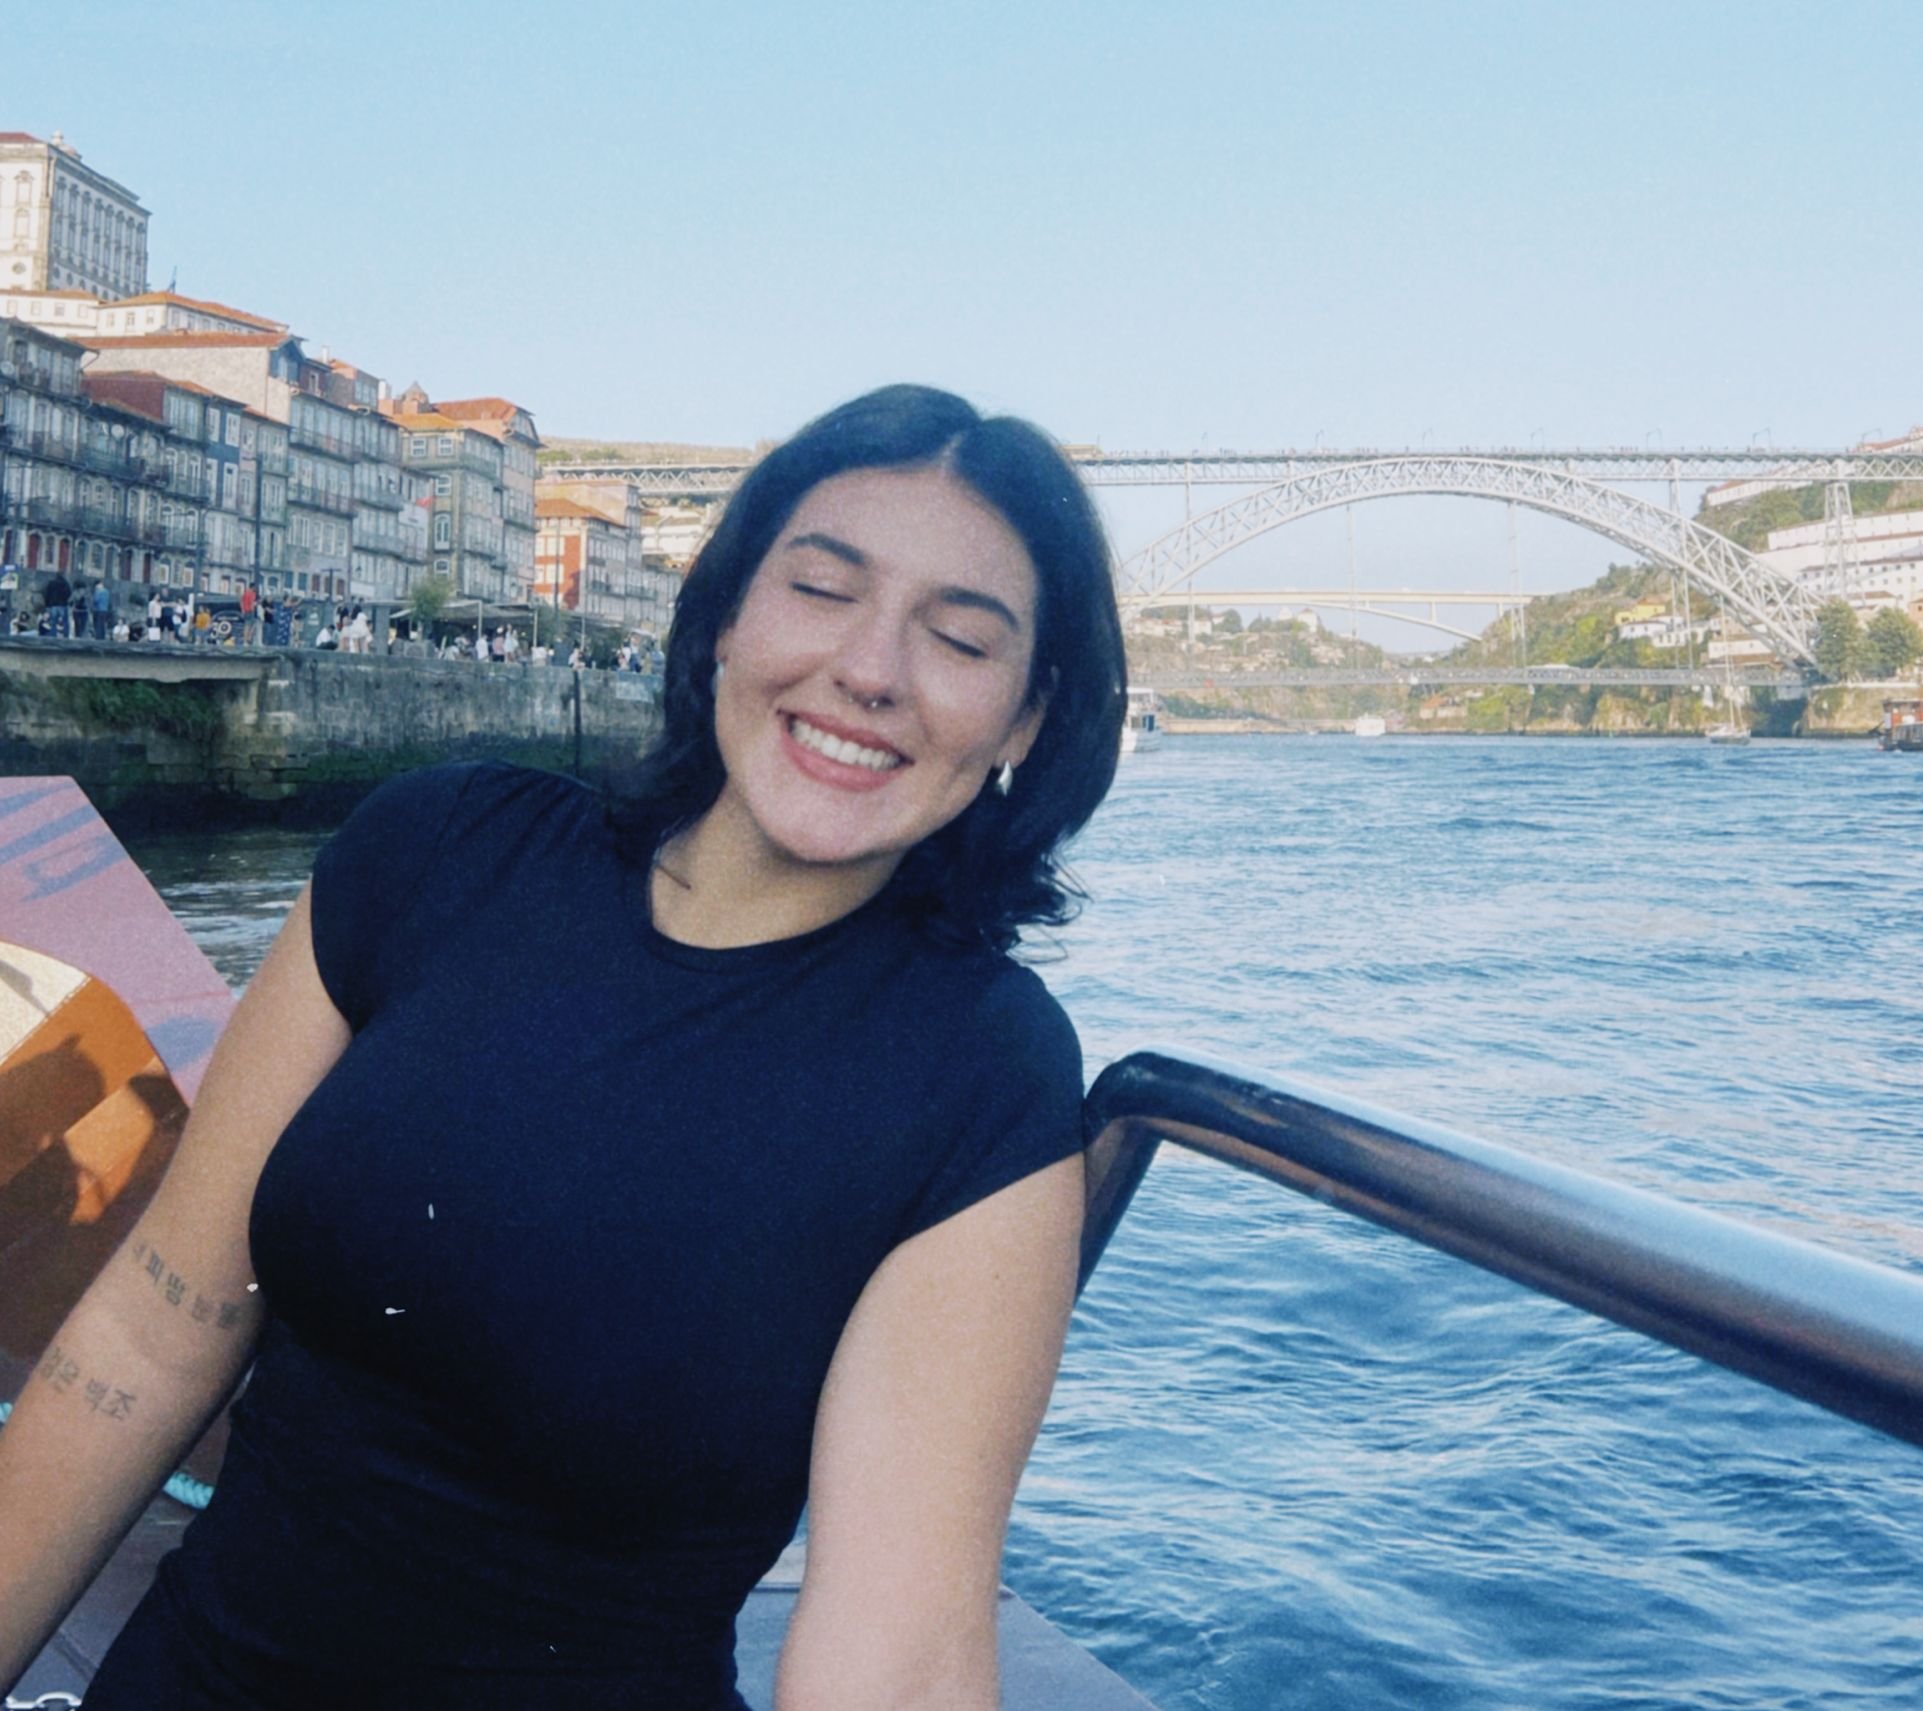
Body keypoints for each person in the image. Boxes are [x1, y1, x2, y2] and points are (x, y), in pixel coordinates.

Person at [0, 383, 1128, 1711]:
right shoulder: (437, 856)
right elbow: (149, 1334)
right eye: (822, 589)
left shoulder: (979, 1074)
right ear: (723, 615)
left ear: (1029, 718)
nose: (871, 669)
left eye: (960, 638)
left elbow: (902, 1641)